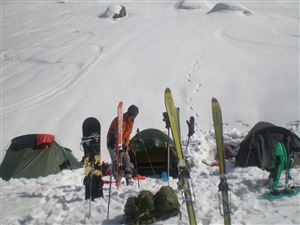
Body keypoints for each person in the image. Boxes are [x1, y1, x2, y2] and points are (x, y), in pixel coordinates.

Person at [107, 104, 139, 185]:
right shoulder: (121, 121)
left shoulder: (131, 121)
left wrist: (126, 144)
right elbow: (117, 135)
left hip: (122, 140)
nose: (134, 117)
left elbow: (128, 134)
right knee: (116, 160)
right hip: (112, 140)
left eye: (135, 116)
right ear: (130, 113)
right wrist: (118, 148)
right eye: (133, 115)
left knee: (126, 158)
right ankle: (117, 179)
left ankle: (128, 177)